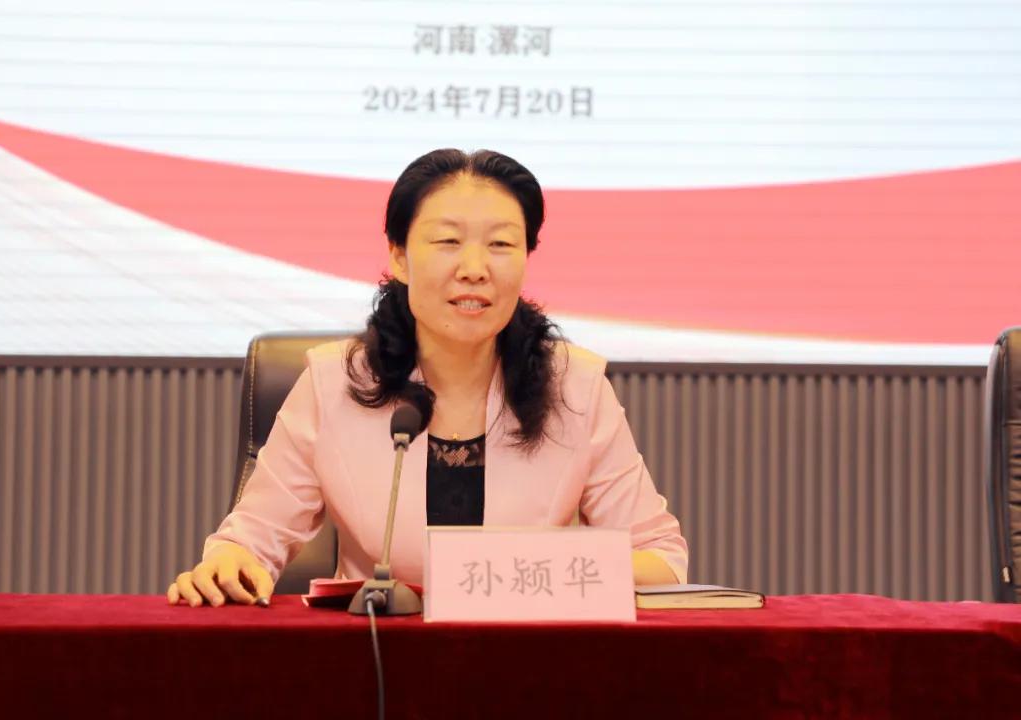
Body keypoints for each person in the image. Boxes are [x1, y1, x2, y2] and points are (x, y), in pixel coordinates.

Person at [167, 149, 688, 607]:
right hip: (374, 661)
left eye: (501, 245)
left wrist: (537, 571)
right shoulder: (334, 382)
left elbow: (661, 559)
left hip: (524, 661)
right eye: (448, 241)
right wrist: (230, 563)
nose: (475, 268)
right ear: (399, 256)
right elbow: (249, 542)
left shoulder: (575, 386)